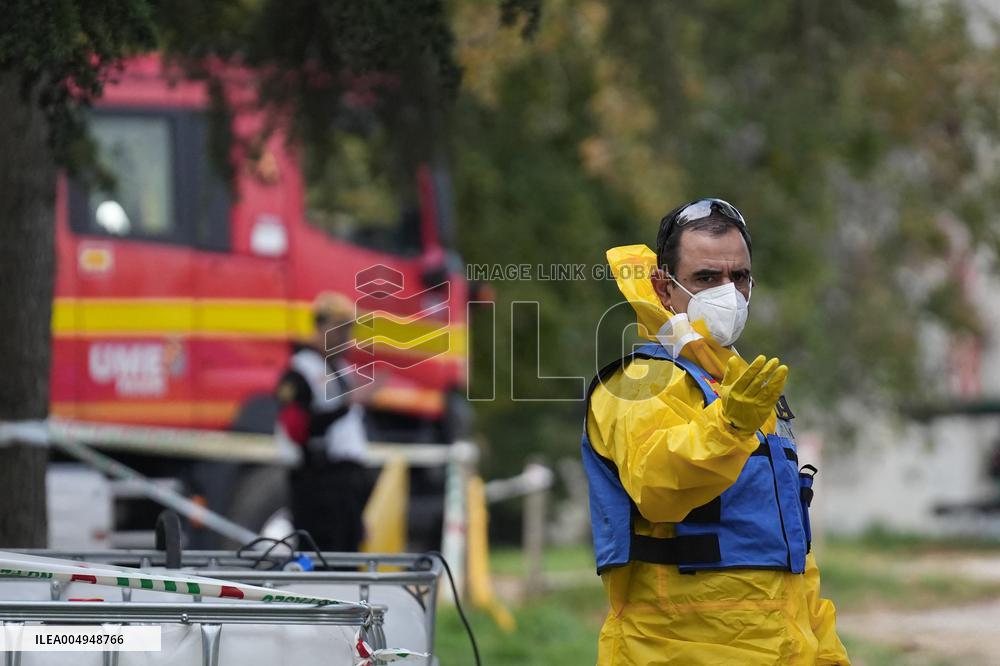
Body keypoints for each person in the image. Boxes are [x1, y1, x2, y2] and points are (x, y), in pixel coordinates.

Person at [582, 198, 850, 664]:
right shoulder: (635, 385)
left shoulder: (742, 388)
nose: (728, 291)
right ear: (664, 288)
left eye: (739, 277)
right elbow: (658, 484)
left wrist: (826, 654)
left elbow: (793, 568)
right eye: (707, 277)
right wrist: (729, 425)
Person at [276, 292, 370, 551]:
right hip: (316, 482)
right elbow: (297, 427)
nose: (345, 338)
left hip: (345, 484)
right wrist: (344, 407)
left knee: (347, 556)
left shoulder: (342, 369)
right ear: (320, 327)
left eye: (348, 330)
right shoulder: (300, 370)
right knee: (321, 556)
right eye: (339, 330)